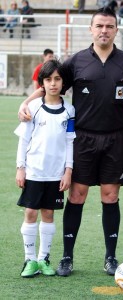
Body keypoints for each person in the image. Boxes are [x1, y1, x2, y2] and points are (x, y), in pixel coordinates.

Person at [18, 7, 123, 278]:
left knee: (110, 195)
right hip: (83, 139)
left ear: (117, 29)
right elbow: (52, 83)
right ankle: (67, 257)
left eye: (109, 26)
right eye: (99, 26)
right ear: (91, 29)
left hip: (116, 140)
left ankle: (110, 257)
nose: (104, 31)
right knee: (77, 195)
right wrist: (26, 103)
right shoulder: (76, 61)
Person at [14, 59, 76, 278]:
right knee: (30, 212)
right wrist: (20, 167)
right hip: (33, 171)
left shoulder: (69, 110)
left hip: (56, 173)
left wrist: (68, 171)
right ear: (42, 82)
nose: (53, 84)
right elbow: (23, 140)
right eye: (48, 79)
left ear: (63, 82)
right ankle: (29, 260)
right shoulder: (32, 107)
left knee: (48, 214)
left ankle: (44, 259)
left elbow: (70, 142)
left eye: (57, 79)